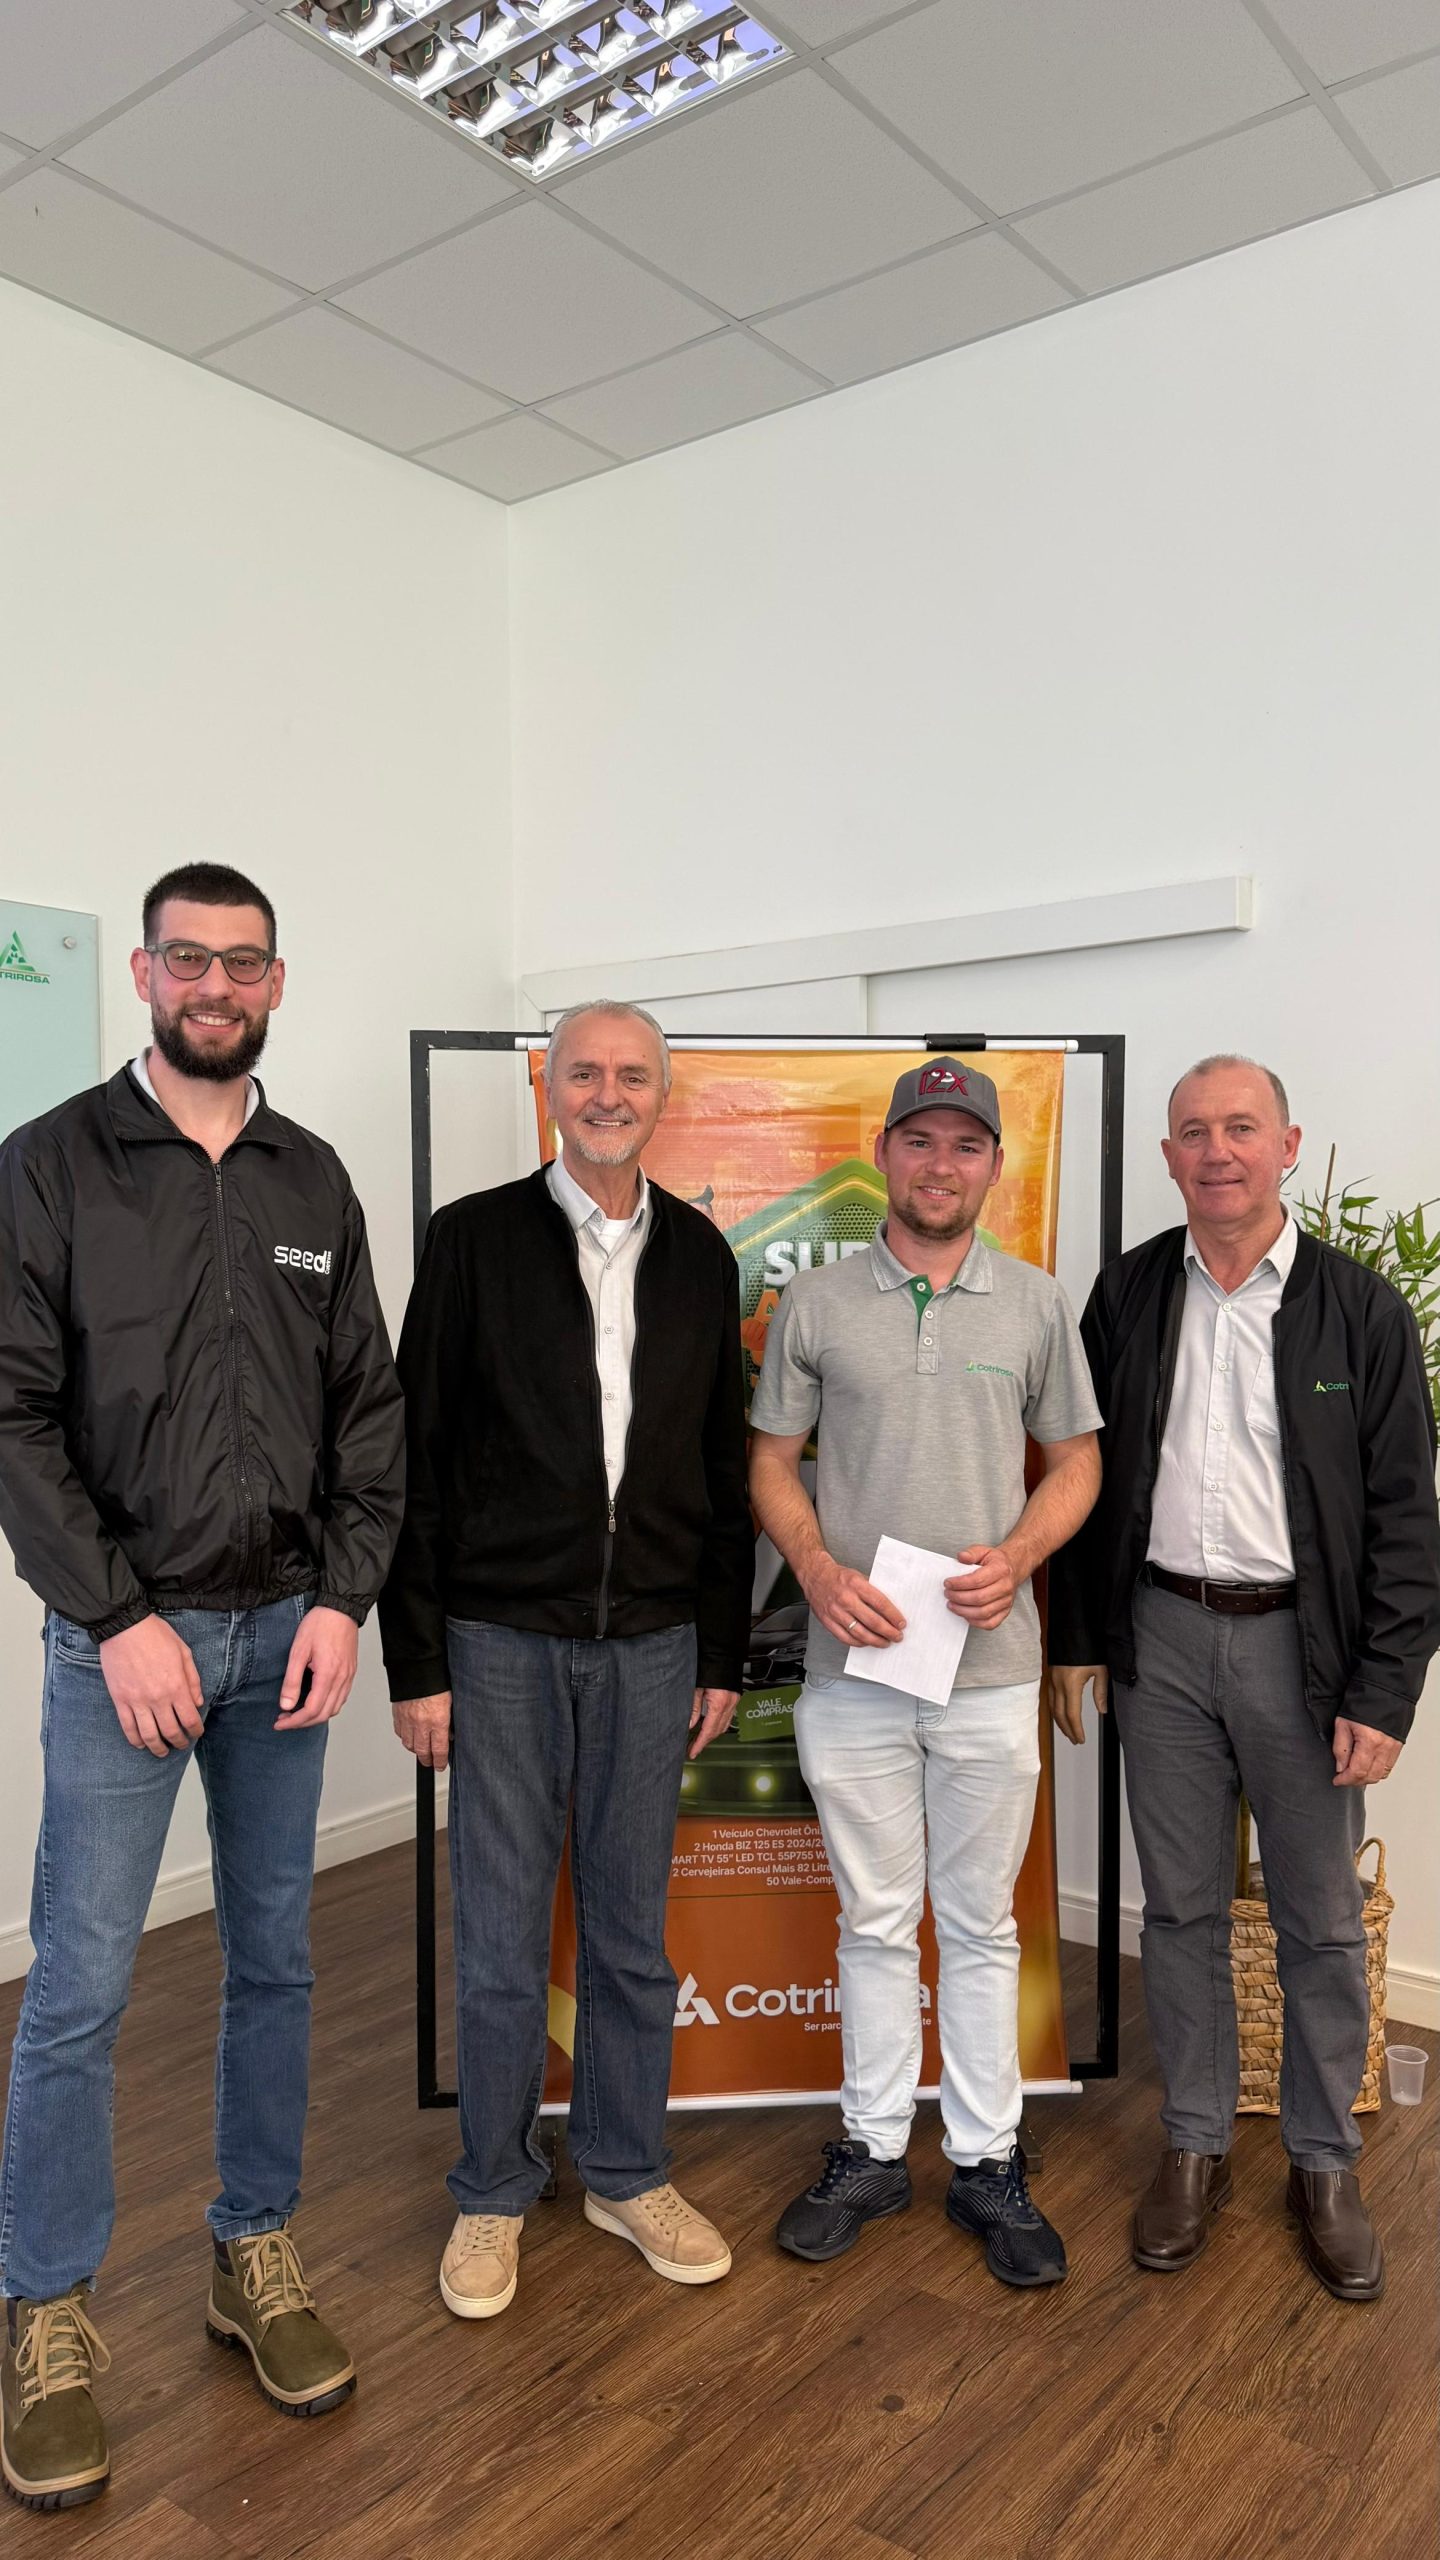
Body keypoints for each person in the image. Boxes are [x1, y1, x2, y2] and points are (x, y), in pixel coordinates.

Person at [0, 864, 405, 2510]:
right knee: (81, 1989)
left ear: (276, 982)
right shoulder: (50, 1165)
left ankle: (254, 2250)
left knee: (277, 1964)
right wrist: (119, 1619)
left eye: (243, 962)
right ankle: (46, 2307)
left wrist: (347, 1597)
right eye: (189, 958)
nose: (215, 985)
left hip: (286, 1644)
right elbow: (14, 1414)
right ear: (147, 974)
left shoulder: (314, 1178)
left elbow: (367, 1405)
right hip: (129, 1650)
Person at [1049, 1055, 1440, 2302]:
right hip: (1161, 1638)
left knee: (1319, 1918)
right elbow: (1078, 1476)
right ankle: (1197, 2142)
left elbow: (1407, 1517)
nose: (1216, 1150)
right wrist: (1077, 1636)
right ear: (1169, 1156)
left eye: (1240, 1127)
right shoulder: (1126, 1294)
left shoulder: (1358, 1311)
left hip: (1302, 1654)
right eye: (1194, 1131)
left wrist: (1384, 1690)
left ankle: (1323, 2162)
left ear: (1287, 1145)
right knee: (1178, 1912)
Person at [381, 1001, 752, 2316]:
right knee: (497, 1939)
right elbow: (412, 1459)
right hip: (497, 1644)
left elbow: (721, 1470)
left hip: (654, 1647)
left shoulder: (701, 1255)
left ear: (664, 1094)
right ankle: (492, 2187)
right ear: (548, 1085)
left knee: (631, 1935)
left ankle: (624, 2168)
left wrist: (721, 1650)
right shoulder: (472, 1240)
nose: (608, 1093)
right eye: (585, 1072)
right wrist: (415, 1661)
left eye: (631, 1075)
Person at [748, 1059, 1101, 2284]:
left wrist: (1020, 1556)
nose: (940, 1164)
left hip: (990, 1670)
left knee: (983, 1924)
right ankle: (873, 2146)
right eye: (920, 1140)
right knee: (875, 1919)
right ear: (885, 1153)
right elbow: (772, 1461)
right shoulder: (817, 1303)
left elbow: (1077, 1463)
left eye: (965, 1143)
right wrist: (813, 1566)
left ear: (994, 1164)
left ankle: (989, 2159)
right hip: (853, 1667)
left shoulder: (1037, 1304)